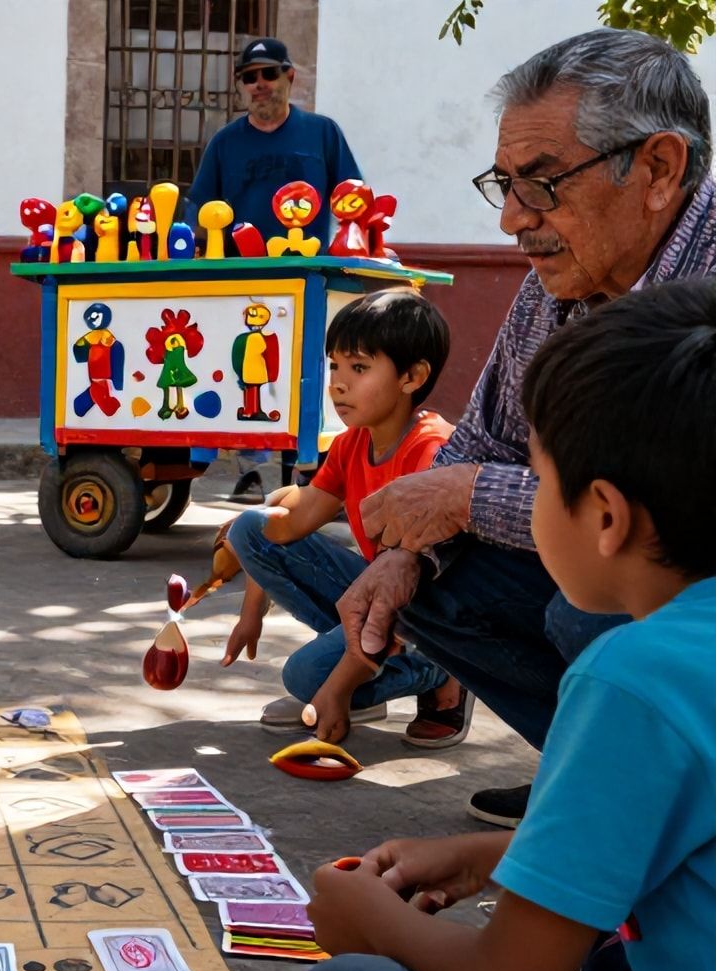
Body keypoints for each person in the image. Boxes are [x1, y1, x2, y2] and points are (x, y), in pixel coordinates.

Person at [285, 277, 716, 971]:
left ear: (605, 516)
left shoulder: (633, 680)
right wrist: (492, 860)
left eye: (539, 482)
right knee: (609, 953)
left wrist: (373, 922)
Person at [334, 28, 716, 828]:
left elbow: (684, 517)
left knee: (595, 602)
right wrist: (407, 552)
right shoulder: (559, 280)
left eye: (542, 184)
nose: (512, 219)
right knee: (426, 576)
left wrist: (473, 497)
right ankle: (595, 782)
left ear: (658, 170)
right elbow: (485, 439)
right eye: (503, 184)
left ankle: (661, 800)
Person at [223, 291, 472, 747]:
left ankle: (444, 677)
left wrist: (331, 692)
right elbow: (286, 526)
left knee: (304, 675)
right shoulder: (351, 443)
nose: (338, 384)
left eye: (358, 369)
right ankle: (358, 675)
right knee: (248, 528)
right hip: (378, 599)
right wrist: (250, 609)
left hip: (431, 619)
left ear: (412, 377)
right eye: (335, 366)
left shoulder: (431, 454)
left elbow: (401, 590)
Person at [189, 36, 363, 504]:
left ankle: (309, 475)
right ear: (241, 87)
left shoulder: (322, 133)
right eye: (250, 77)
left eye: (269, 74)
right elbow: (200, 209)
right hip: (242, 283)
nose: (260, 84)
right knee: (252, 373)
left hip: (309, 279)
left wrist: (356, 252)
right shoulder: (225, 143)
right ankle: (252, 474)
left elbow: (353, 197)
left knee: (305, 373)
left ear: (290, 77)